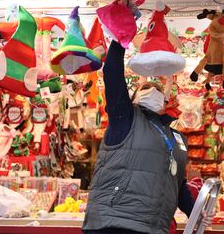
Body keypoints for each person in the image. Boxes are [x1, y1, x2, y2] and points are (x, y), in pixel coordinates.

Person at [83, 41, 214, 234]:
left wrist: (196, 212)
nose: (152, 91)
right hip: (114, 222)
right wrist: (120, 40)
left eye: (158, 91)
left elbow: (178, 185)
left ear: (165, 101)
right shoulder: (125, 119)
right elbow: (112, 73)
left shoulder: (176, 138)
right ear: (133, 98)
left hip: (153, 226)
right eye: (144, 89)